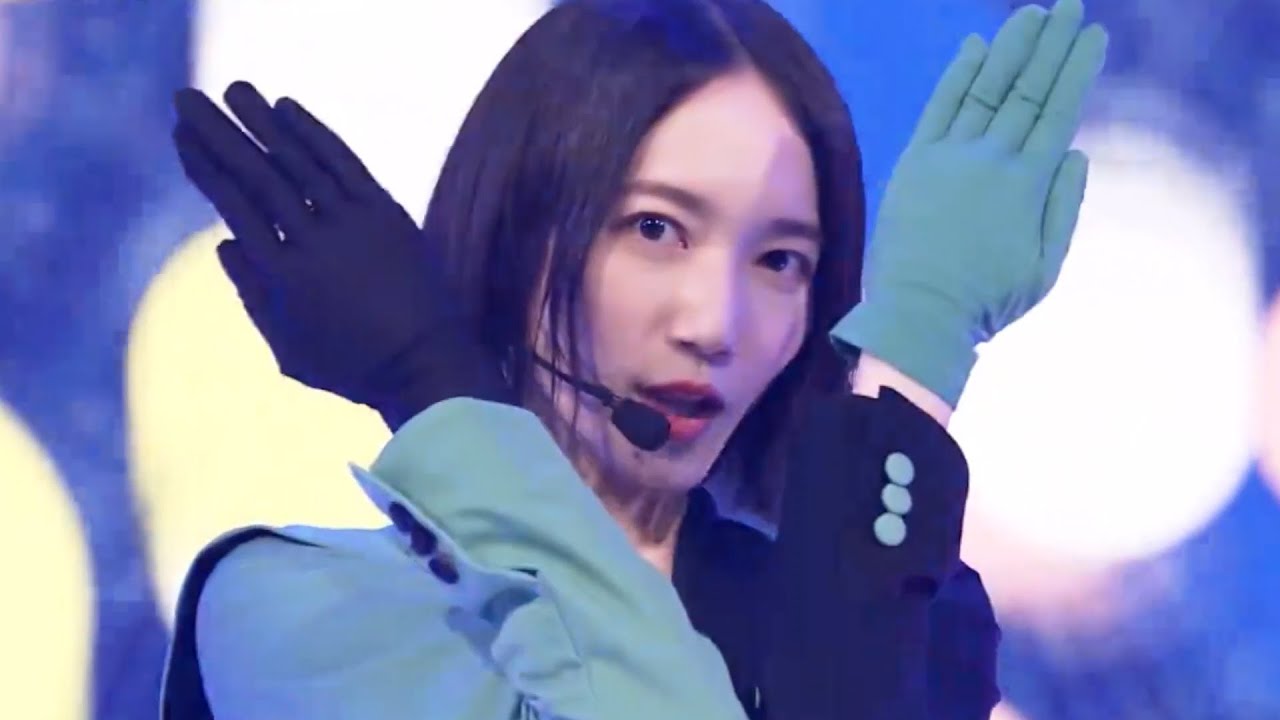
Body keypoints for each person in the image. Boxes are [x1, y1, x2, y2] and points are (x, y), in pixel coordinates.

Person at [160, 0, 1106, 717]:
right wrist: (434, 383)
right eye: (655, 228)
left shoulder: (911, 626)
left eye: (781, 260)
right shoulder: (294, 608)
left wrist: (919, 331)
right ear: (518, 234)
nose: (715, 322)